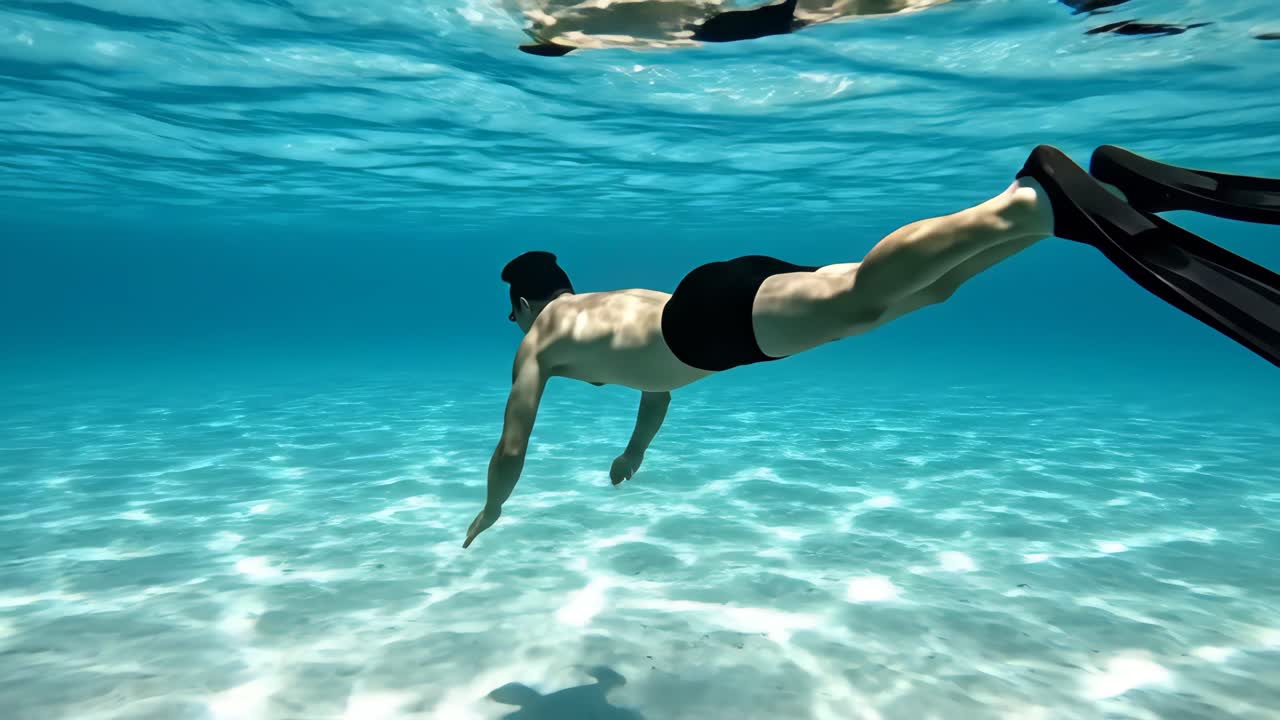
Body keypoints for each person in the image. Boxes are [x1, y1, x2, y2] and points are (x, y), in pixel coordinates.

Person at [462, 144, 1280, 548]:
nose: (511, 321)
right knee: (924, 293)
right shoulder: (601, 304)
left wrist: (494, 507)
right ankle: (1076, 209)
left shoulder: (540, 336)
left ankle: (1028, 198)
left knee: (863, 299)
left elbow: (511, 443)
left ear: (524, 298)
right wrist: (637, 451)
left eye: (511, 309)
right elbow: (656, 377)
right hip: (703, 308)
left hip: (711, 323)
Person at [507, 0, 952, 56]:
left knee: (828, 11)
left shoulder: (555, 29)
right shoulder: (557, 29)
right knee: (829, 11)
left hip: (704, 26)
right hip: (707, 26)